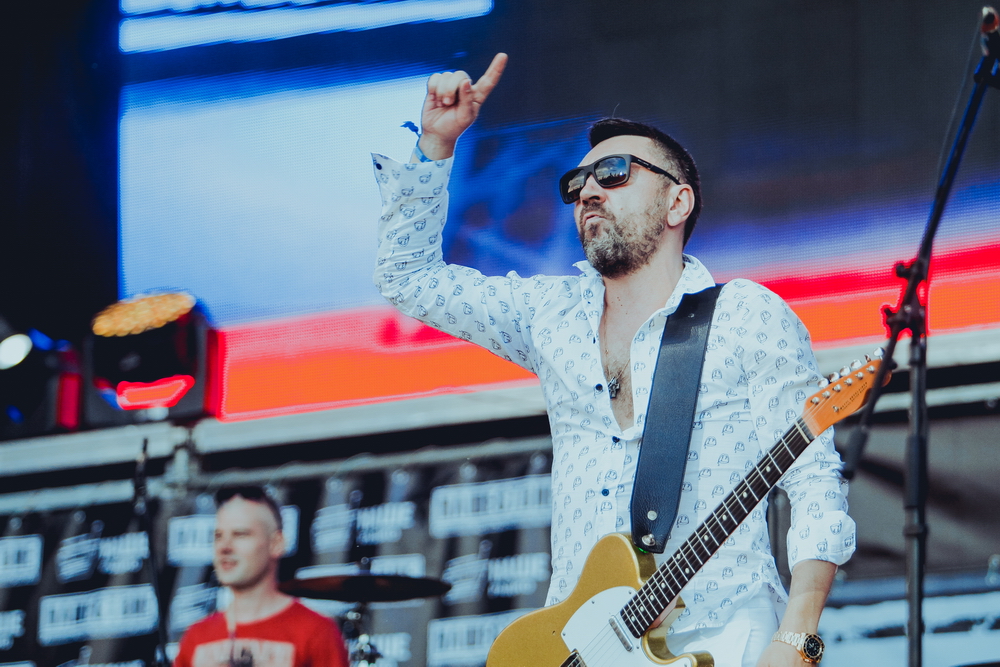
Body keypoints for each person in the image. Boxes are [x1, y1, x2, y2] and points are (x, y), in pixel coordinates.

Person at [372, 53, 856, 666]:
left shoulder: (743, 315)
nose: (590, 191)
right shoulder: (550, 316)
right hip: (580, 649)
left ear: (678, 203)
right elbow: (408, 279)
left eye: (615, 173)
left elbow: (813, 479)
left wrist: (797, 636)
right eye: (577, 184)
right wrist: (437, 146)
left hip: (721, 631)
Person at [174, 486, 349, 667]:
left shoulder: (316, 631)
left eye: (240, 534)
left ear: (276, 543)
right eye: (218, 536)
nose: (224, 547)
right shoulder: (197, 637)